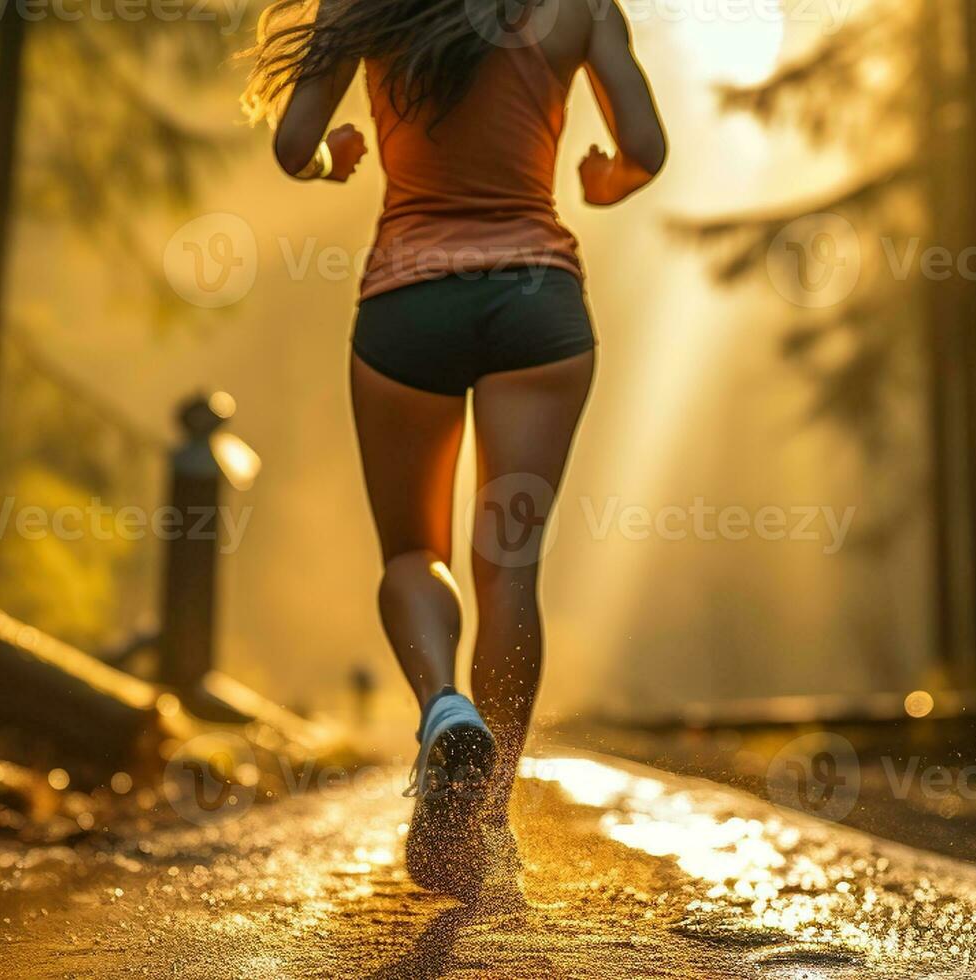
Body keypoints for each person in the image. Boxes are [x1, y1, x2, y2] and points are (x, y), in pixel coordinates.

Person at [244, 0, 665, 896]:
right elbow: (647, 146)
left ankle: (442, 710)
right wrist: (608, 183)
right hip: (537, 308)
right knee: (508, 569)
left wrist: (333, 165)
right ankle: (485, 822)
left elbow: (292, 146)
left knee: (410, 553)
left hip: (408, 309)